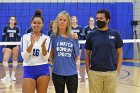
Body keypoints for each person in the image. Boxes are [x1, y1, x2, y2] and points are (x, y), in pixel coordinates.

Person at [85, 9, 123, 93]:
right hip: (94, 73)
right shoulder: (91, 35)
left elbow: (120, 53)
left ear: (107, 20)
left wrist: (117, 70)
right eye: (97, 18)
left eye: (101, 18)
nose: (98, 20)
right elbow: (87, 54)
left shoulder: (115, 34)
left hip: (111, 73)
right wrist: (88, 71)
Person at [21, 9, 51, 93]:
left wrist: (43, 47)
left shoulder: (46, 38)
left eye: (39, 23)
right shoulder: (25, 37)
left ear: (42, 25)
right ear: (31, 24)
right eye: (34, 23)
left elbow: (46, 58)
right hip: (29, 68)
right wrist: (31, 44)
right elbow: (24, 56)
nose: (36, 25)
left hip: (42, 69)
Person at [49, 11, 79, 93]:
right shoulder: (53, 37)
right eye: (60, 19)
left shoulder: (74, 36)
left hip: (72, 73)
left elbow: (76, 55)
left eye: (64, 20)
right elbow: (51, 55)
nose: (62, 21)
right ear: (57, 21)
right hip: (57, 73)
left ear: (68, 23)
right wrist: (54, 65)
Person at [1, 16, 21, 82]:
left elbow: (19, 38)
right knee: (4, 61)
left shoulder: (17, 28)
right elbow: (3, 38)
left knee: (15, 60)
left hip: (15, 45)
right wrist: (3, 47)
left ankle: (13, 75)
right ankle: (7, 76)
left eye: (13, 20)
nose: (12, 21)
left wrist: (18, 44)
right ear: (9, 20)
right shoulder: (6, 28)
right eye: (11, 19)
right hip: (8, 45)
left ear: (15, 21)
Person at [71, 16, 85, 80]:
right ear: (71, 21)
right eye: (73, 20)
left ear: (76, 21)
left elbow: (81, 37)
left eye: (75, 20)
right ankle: (71, 72)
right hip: (70, 45)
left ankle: (78, 73)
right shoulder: (69, 28)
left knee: (78, 58)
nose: (74, 21)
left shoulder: (80, 28)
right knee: (71, 59)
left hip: (78, 45)